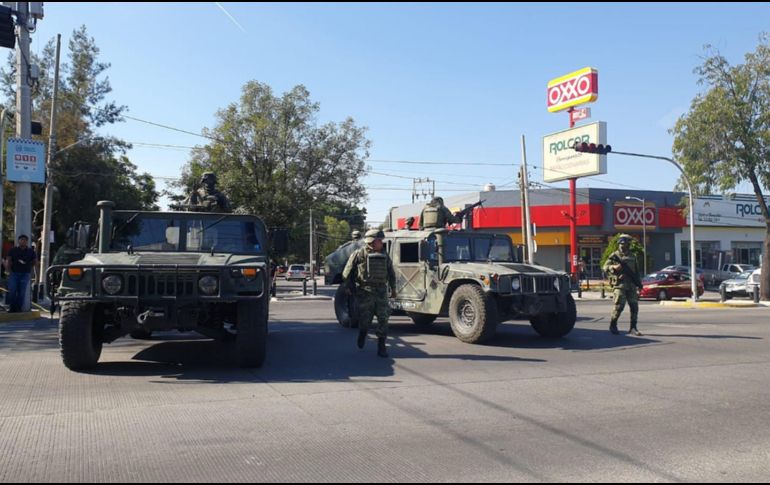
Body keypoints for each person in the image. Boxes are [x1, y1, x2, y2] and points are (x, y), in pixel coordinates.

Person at [342, 229, 396, 357]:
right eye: (379, 241)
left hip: (381, 292)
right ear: (372, 242)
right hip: (365, 292)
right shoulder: (359, 254)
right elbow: (346, 273)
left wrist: (393, 289)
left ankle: (381, 346)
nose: (381, 243)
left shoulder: (384, 255)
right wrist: (348, 286)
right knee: (365, 321)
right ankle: (363, 333)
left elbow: (391, 272)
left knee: (384, 319)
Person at [603, 234, 642, 336]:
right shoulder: (614, 255)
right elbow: (605, 267)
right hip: (620, 285)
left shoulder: (632, 256)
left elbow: (636, 272)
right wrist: (614, 267)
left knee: (634, 307)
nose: (624, 246)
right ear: (619, 244)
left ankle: (633, 327)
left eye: (626, 244)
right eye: (622, 244)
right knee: (619, 306)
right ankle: (613, 325)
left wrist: (639, 284)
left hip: (631, 285)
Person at [4, 235, 38, 313]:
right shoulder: (13, 250)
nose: (23, 241)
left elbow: (35, 262)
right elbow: (8, 260)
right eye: (21, 240)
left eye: (25, 240)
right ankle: (12, 307)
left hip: (25, 274)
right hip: (14, 273)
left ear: (27, 242)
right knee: (12, 290)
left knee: (22, 292)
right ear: (18, 241)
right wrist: (7, 271)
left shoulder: (31, 251)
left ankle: (19, 308)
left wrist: (35, 274)